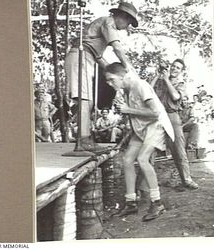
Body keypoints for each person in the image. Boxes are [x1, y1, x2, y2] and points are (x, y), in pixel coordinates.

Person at [105, 62, 174, 221]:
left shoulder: (140, 85)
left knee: (142, 159)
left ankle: (157, 202)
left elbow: (155, 113)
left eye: (111, 79)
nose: (109, 83)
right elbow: (136, 115)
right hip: (142, 128)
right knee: (127, 159)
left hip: (156, 126)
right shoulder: (126, 90)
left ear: (122, 76)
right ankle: (131, 203)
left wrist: (128, 110)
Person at [65, 2, 138, 152]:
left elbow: (99, 58)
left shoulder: (102, 32)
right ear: (122, 17)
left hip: (88, 58)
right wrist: (128, 67)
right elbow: (117, 47)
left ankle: (85, 138)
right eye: (128, 22)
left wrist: (117, 73)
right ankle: (83, 140)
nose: (126, 27)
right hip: (81, 57)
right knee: (85, 100)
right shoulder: (108, 21)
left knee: (88, 101)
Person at [150, 59, 199, 189]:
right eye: (173, 66)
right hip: (158, 116)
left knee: (178, 149)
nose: (174, 69)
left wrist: (166, 79)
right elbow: (148, 90)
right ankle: (145, 185)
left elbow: (176, 97)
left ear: (181, 71)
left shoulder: (181, 84)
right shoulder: (159, 81)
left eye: (178, 68)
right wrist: (157, 74)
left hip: (172, 116)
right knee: (149, 148)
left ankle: (186, 179)